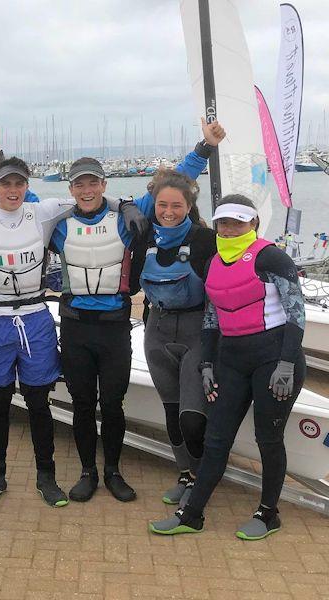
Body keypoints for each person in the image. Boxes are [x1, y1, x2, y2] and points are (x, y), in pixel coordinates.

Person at [0, 145, 146, 507]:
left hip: (36, 318)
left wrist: (128, 204)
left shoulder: (43, 213)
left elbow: (91, 200)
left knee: (38, 401)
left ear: (27, 186)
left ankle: (47, 477)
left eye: (19, 183)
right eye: (5, 183)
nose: (13, 190)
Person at [46, 119, 224, 503]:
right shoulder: (57, 227)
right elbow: (17, 206)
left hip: (113, 328)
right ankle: (87, 472)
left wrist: (204, 148)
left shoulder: (129, 220)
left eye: (93, 182)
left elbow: (172, 189)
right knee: (81, 404)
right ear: (71, 189)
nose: (87, 189)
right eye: (80, 184)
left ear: (103, 185)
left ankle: (112, 471)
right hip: (76, 327)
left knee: (112, 404)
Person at [150, 195, 306, 539]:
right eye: (224, 222)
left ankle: (268, 514)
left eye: (238, 222)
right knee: (216, 438)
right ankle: (192, 515)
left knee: (268, 438)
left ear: (253, 224)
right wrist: (206, 364)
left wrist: (286, 363)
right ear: (216, 224)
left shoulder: (272, 257)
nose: (230, 228)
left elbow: (297, 312)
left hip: (275, 360)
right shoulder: (215, 262)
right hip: (231, 360)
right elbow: (210, 318)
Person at [139, 170, 216, 506]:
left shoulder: (206, 239)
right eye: (161, 205)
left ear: (189, 206)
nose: (168, 211)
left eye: (176, 205)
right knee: (171, 412)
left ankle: (201, 479)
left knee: (191, 417)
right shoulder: (143, 236)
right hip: (156, 331)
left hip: (195, 331)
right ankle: (185, 473)